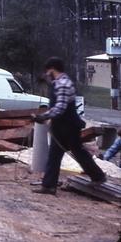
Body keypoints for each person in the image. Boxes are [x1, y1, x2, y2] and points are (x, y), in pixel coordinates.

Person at [31, 57, 106, 194]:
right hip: (60, 127)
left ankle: (98, 176)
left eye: (48, 71)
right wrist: (50, 83)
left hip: (69, 126)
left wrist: (44, 116)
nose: (47, 73)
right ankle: (49, 185)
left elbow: (60, 108)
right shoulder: (58, 83)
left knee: (79, 152)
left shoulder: (64, 83)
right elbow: (58, 99)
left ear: (52, 69)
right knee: (54, 155)